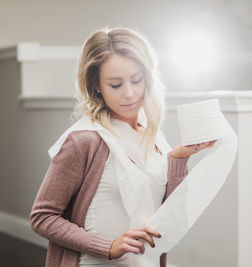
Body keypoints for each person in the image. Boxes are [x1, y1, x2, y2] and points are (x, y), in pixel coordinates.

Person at [30, 27, 216, 267]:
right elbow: (42, 217)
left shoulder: (153, 137)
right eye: (116, 85)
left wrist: (178, 158)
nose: (129, 93)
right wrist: (109, 246)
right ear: (97, 85)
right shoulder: (83, 141)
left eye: (136, 80)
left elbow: (170, 214)